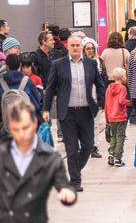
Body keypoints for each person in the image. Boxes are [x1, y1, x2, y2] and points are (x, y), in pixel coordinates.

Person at [0, 97, 77, 222]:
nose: (21, 134)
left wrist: (68, 193)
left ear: (35, 123)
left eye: (25, 128)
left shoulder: (50, 158)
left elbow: (63, 184)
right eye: (15, 129)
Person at [42, 34, 105, 192]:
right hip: (67, 113)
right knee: (71, 149)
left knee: (88, 145)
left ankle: (75, 169)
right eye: (73, 45)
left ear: (81, 47)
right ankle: (75, 181)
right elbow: (50, 89)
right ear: (68, 47)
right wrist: (45, 109)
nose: (75, 48)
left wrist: (102, 103)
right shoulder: (58, 64)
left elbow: (100, 84)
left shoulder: (91, 64)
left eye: (78, 45)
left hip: (86, 111)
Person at [0, 54, 44, 139]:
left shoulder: (0, 83)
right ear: (20, 65)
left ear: (6, 66)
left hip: (8, 128)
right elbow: (37, 103)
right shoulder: (27, 81)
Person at [104, 67, 129, 167]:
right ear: (122, 77)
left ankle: (111, 153)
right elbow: (121, 101)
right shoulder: (123, 88)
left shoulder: (109, 87)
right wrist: (131, 102)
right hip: (121, 116)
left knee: (113, 136)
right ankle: (118, 158)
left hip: (111, 116)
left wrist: (106, 117)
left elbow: (106, 103)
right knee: (120, 136)